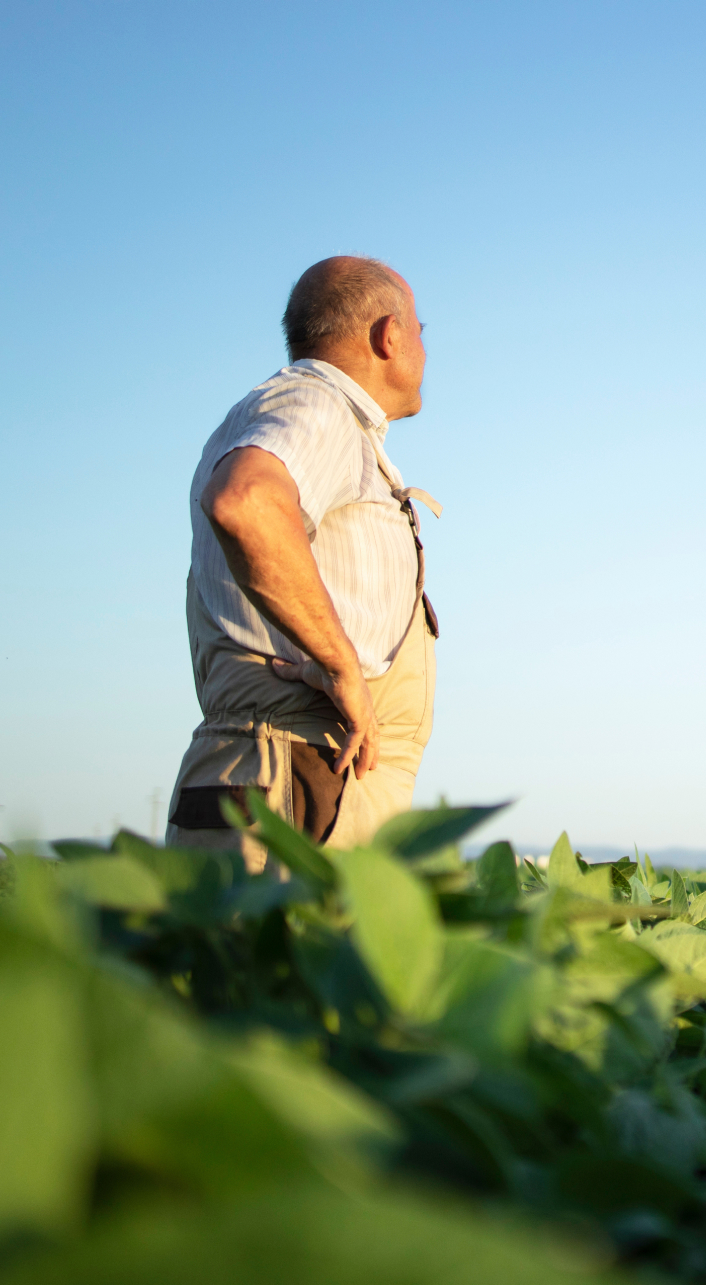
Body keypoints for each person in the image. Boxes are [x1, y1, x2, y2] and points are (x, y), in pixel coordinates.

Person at [165, 256, 439, 863]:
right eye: (422, 330)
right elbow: (246, 500)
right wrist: (342, 665)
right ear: (388, 334)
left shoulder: (302, 413)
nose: (425, 347)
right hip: (295, 779)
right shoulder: (316, 407)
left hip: (299, 775)